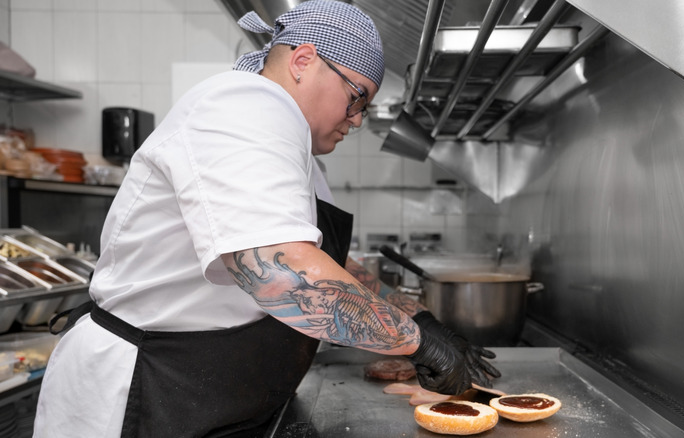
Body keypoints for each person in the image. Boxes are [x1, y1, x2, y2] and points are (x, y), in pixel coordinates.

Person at [34, 1, 499, 436]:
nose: (357, 120)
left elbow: (327, 265)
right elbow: (283, 276)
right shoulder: (243, 107)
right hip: (145, 390)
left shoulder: (296, 149)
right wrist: (415, 343)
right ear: (303, 61)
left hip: (205, 389)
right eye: (356, 97)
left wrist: (418, 317)